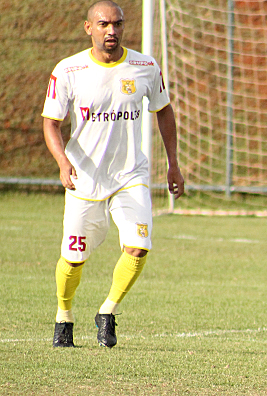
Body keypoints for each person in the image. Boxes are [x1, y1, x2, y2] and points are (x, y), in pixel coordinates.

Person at [43, 0, 184, 348]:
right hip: (84, 177)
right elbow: (51, 123)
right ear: (88, 27)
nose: (112, 30)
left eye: (117, 24)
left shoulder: (145, 66)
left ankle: (107, 311)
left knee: (139, 246)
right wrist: (62, 161)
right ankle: (64, 315)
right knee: (73, 258)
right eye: (104, 24)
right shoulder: (69, 70)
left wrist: (173, 162)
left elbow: (164, 111)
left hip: (129, 175)